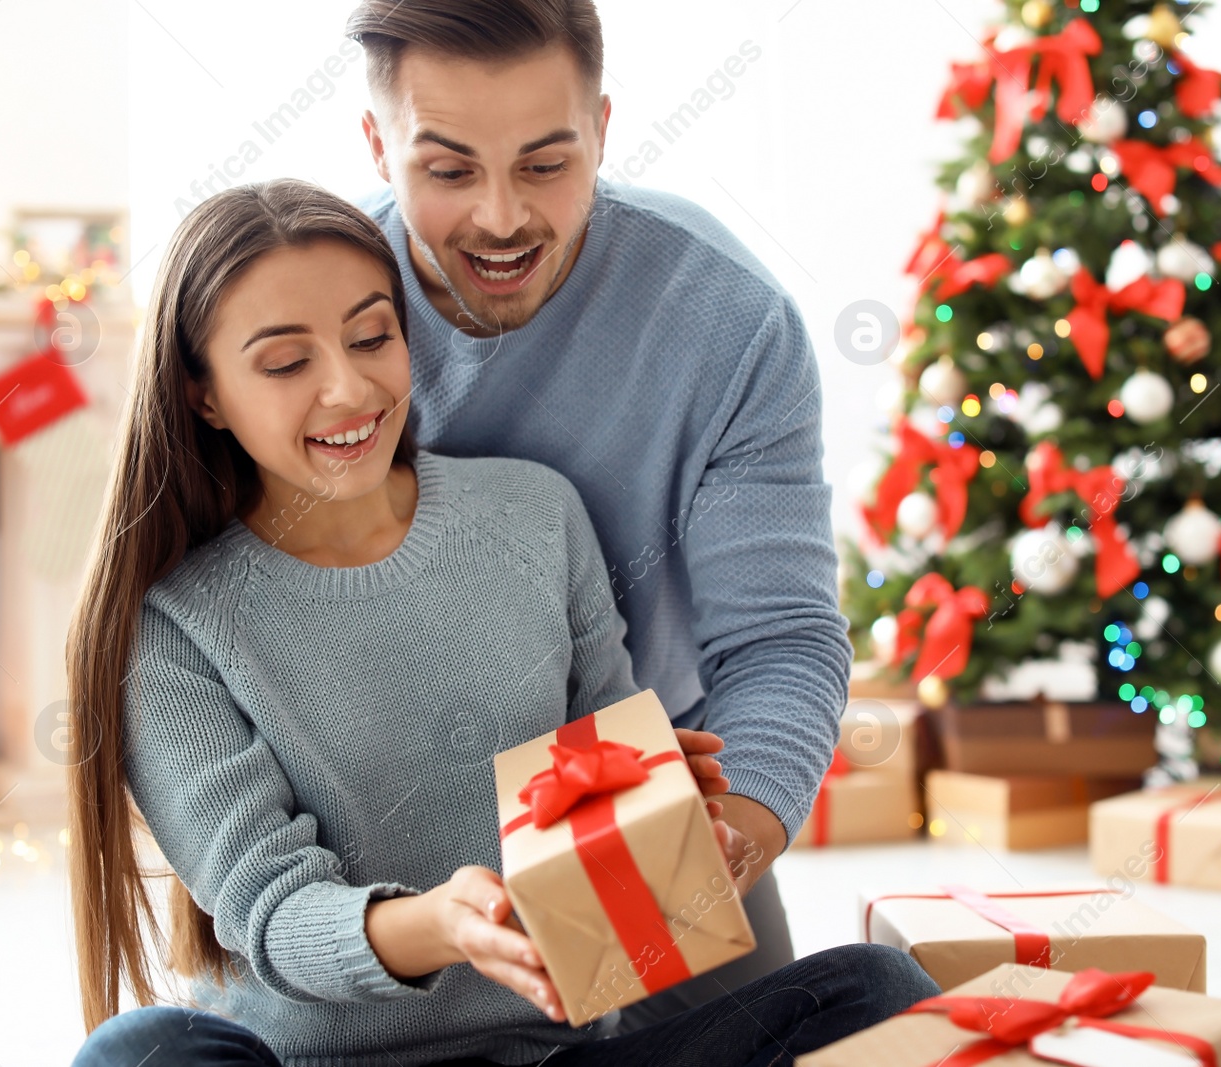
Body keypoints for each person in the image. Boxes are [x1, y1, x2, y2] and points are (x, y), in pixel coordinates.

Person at [66, 179, 938, 1067]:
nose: (347, 386)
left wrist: (657, 828)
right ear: (204, 394)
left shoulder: (535, 513)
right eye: (286, 364)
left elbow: (612, 914)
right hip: (316, 1063)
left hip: (547, 1057)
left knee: (879, 991)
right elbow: (275, 916)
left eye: (373, 337)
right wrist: (445, 924)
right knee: (142, 1050)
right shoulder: (175, 623)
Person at [345, 0, 852, 1031]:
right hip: (374, 811)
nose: (498, 218)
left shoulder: (727, 320)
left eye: (545, 164)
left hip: (648, 794)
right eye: (446, 171)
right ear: (374, 145)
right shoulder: (305, 311)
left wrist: (726, 837)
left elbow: (782, 638)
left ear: (605, 130)